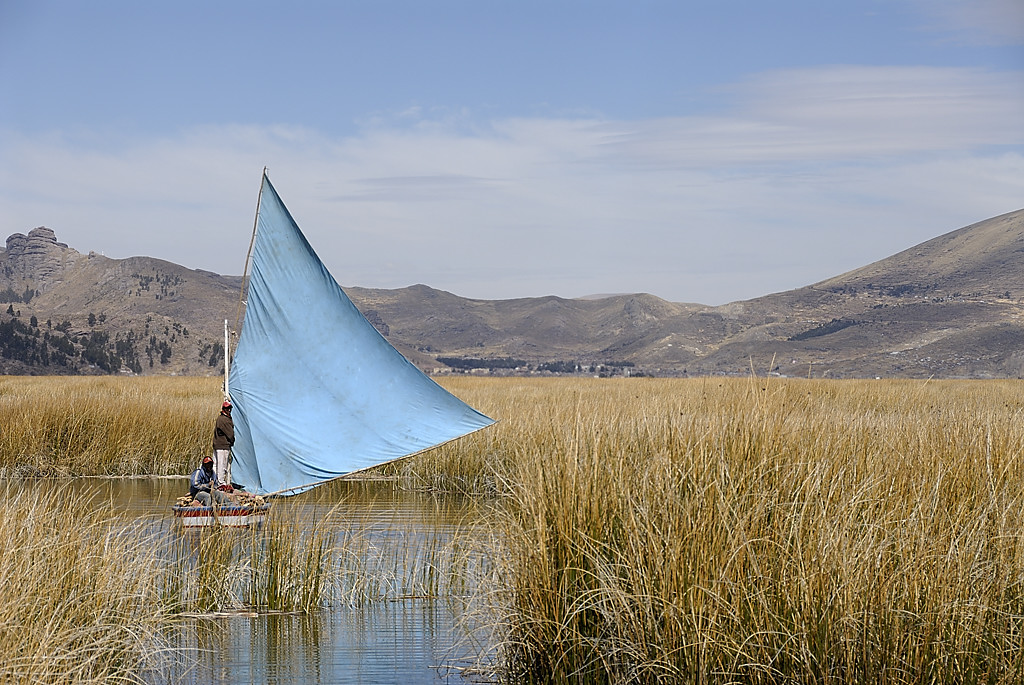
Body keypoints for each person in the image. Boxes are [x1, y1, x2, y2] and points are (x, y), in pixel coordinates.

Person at [213, 400, 234, 486]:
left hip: (217, 445)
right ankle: (221, 483)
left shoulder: (220, 418)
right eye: (227, 408)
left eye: (229, 408)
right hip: (223, 446)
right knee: (222, 465)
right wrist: (232, 441)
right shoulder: (224, 420)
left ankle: (215, 481)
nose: (229, 410)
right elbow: (230, 434)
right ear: (223, 409)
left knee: (216, 464)